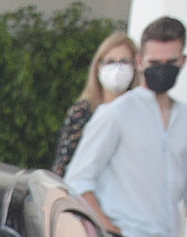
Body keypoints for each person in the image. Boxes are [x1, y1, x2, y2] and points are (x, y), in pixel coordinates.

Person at [63, 17, 187, 237]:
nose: (162, 71)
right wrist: (110, 231)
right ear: (140, 61)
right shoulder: (116, 114)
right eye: (154, 63)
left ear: (183, 61)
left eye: (170, 63)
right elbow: (78, 180)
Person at [52, 32, 136, 175]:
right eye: (110, 62)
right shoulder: (82, 111)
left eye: (124, 61)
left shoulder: (139, 112)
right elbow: (64, 165)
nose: (117, 68)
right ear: (98, 66)